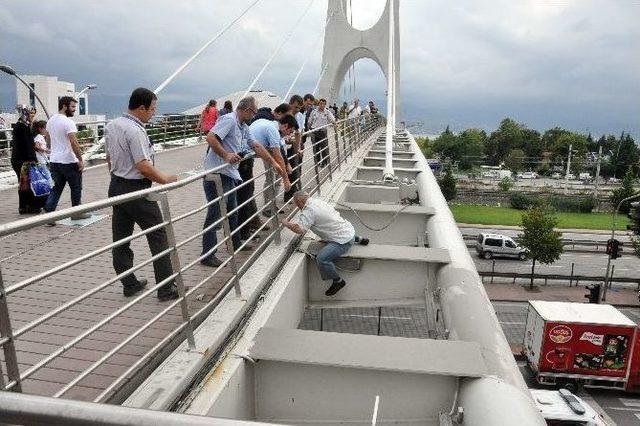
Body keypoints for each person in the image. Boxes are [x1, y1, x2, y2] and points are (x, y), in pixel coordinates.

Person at [104, 87, 179, 301]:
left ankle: (129, 283)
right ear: (141, 107)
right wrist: (166, 179)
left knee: (121, 239)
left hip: (117, 185)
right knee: (158, 235)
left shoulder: (112, 125)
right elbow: (143, 166)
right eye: (153, 109)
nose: (154, 113)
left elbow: (110, 158)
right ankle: (166, 287)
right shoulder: (136, 130)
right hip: (136, 189)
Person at [200, 96, 284, 268]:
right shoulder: (229, 120)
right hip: (217, 174)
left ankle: (235, 243)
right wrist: (226, 155)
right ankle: (207, 254)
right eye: (253, 113)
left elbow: (256, 146)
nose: (254, 116)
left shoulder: (243, 126)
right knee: (215, 215)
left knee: (233, 210)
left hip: (229, 174)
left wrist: (274, 162)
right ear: (246, 110)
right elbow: (210, 137)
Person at [281, 191, 369, 296]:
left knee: (322, 258)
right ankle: (359, 239)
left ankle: (338, 281)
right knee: (336, 229)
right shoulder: (318, 202)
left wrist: (286, 223)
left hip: (343, 242)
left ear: (299, 201)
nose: (297, 206)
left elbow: (300, 230)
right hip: (349, 230)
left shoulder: (308, 211)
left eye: (296, 204)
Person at [44, 96, 90, 220]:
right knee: (76, 188)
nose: (74, 109)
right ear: (64, 106)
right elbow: (74, 143)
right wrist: (80, 160)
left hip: (54, 160)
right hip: (68, 161)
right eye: (73, 107)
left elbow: (47, 141)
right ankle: (76, 213)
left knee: (57, 187)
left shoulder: (51, 120)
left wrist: (54, 149)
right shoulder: (68, 122)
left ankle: (49, 212)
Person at [250, 114, 297, 219]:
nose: (289, 134)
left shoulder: (274, 126)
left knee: (274, 180)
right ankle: (267, 208)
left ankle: (271, 205)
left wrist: (287, 164)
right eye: (290, 131)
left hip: (258, 151)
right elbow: (278, 155)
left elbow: (280, 149)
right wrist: (286, 179)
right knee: (270, 180)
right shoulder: (273, 130)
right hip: (245, 156)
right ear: (285, 126)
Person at [10, 105, 40, 214]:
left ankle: (24, 206)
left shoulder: (20, 125)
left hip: (18, 159)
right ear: (25, 114)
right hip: (23, 161)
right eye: (30, 113)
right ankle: (29, 206)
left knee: (23, 183)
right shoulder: (23, 127)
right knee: (26, 183)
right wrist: (33, 160)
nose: (32, 116)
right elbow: (27, 146)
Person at [283, 95, 304, 205]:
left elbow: (298, 133)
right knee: (285, 173)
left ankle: (292, 195)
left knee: (294, 172)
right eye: (295, 107)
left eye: (299, 108)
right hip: (282, 149)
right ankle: (287, 196)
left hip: (292, 148)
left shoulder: (299, 116)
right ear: (290, 103)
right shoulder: (283, 115)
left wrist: (298, 149)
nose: (297, 110)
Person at [308, 98, 336, 168]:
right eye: (320, 103)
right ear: (318, 104)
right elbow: (309, 122)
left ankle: (324, 162)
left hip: (323, 132)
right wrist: (309, 131)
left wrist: (335, 124)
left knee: (324, 147)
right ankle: (317, 162)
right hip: (314, 131)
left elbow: (332, 120)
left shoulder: (327, 112)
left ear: (325, 104)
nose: (322, 105)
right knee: (315, 148)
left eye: (323, 104)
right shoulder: (314, 112)